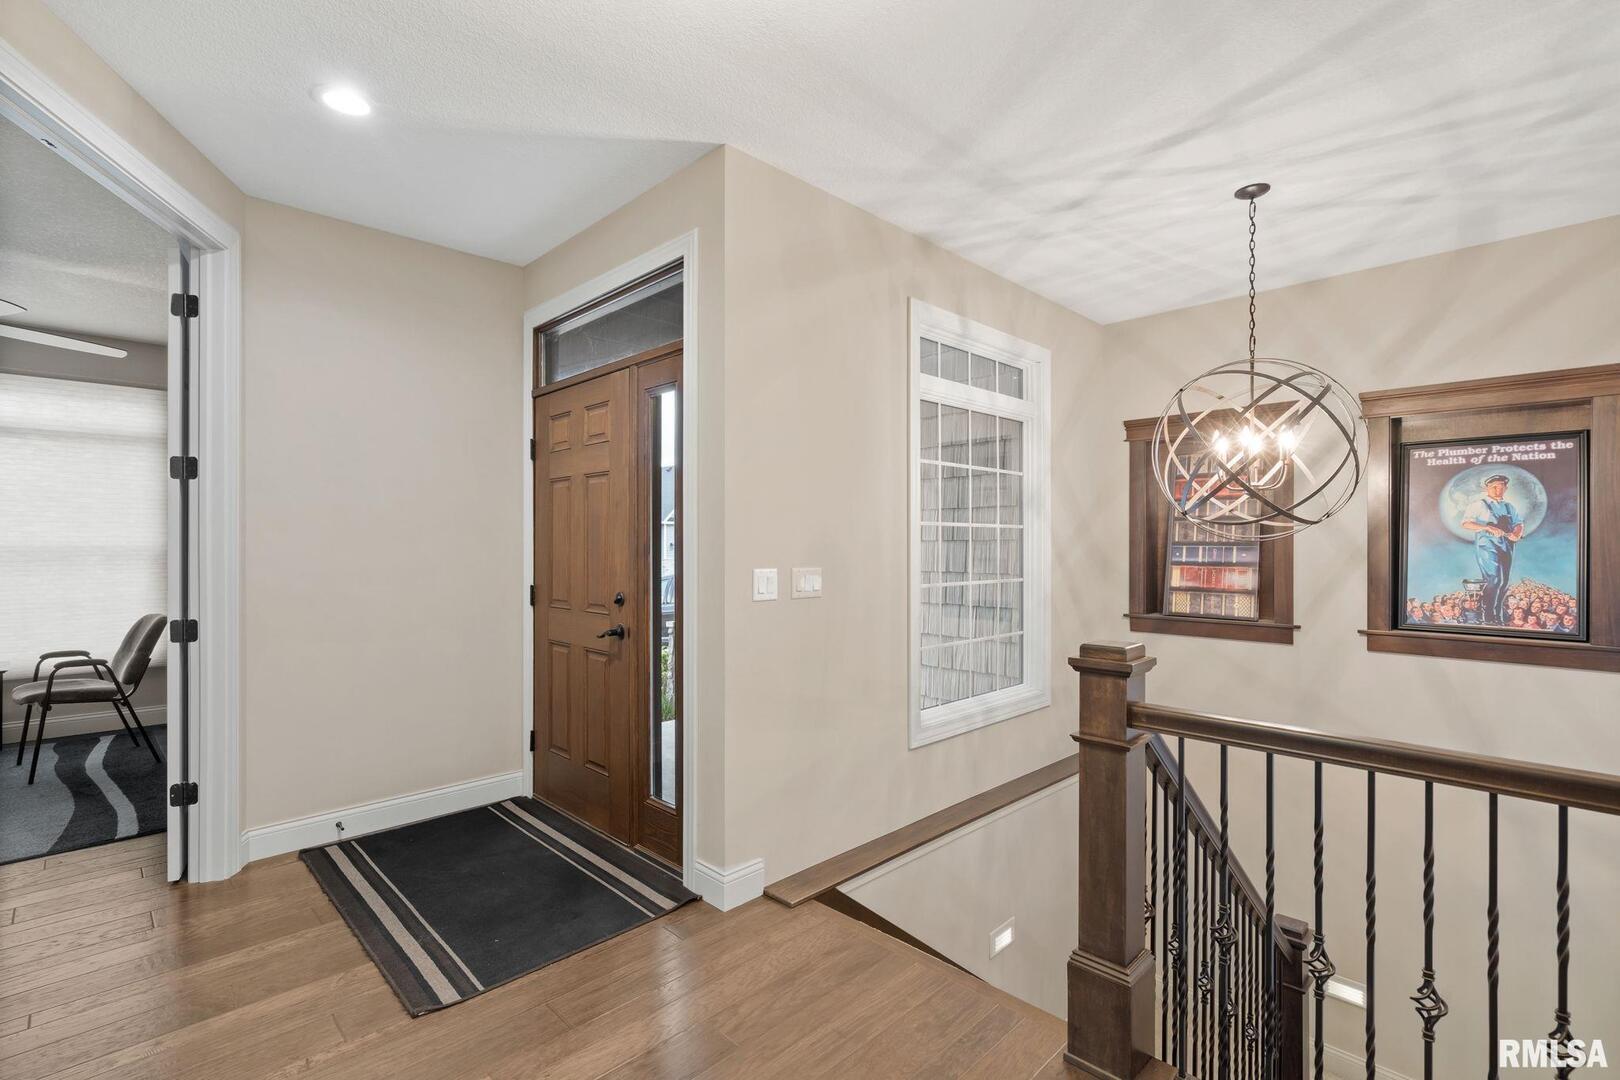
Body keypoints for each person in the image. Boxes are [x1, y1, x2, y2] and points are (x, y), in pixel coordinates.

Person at [1460, 474, 1524, 625]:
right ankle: (1488, 616)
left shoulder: (1509, 506)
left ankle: (1498, 615)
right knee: (1494, 579)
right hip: (1487, 544)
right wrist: (1487, 527)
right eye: (1494, 486)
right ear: (1487, 488)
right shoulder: (1479, 505)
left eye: (1501, 486)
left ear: (1505, 488)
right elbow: (1466, 523)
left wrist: (1517, 533)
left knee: (1505, 581)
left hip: (1507, 544)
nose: (1498, 489)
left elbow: (1519, 523)